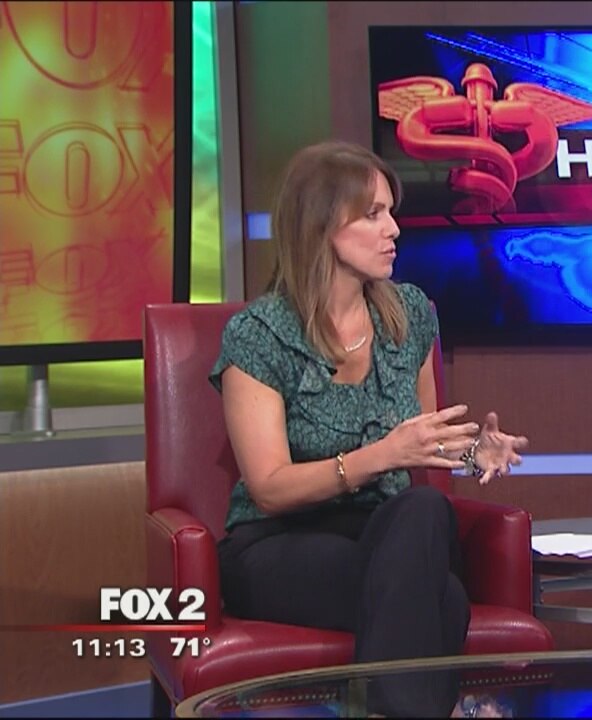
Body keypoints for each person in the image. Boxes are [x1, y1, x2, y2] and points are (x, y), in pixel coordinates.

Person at [210, 140, 529, 714]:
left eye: (391, 212)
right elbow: (269, 488)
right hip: (279, 544)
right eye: (374, 214)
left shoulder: (408, 316)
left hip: (385, 531)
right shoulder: (259, 334)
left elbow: (424, 440)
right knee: (444, 598)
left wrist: (471, 451)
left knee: (424, 511)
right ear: (322, 225)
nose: (394, 230)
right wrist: (379, 455)